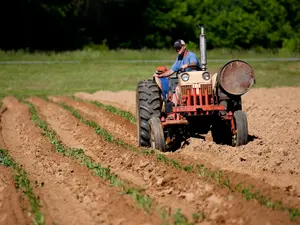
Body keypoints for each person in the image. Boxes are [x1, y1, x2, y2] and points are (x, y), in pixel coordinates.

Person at [153, 39, 200, 108]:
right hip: (184, 82)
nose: (177, 50)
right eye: (176, 48)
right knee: (176, 89)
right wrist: (160, 75)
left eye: (179, 47)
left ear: (184, 46)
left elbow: (194, 63)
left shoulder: (191, 55)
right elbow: (171, 71)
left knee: (179, 88)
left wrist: (187, 65)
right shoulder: (179, 58)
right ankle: (173, 108)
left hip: (195, 80)